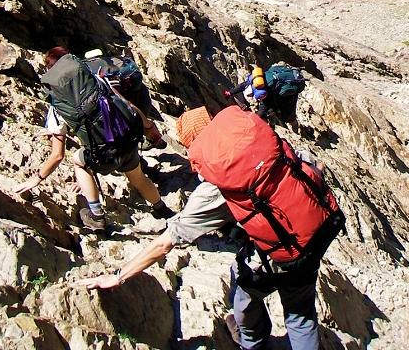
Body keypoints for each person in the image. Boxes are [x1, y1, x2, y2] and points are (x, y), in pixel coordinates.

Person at [76, 106, 343, 350]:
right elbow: (312, 166)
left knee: (243, 288)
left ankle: (252, 343)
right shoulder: (259, 143)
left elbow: (165, 243)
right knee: (301, 317)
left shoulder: (214, 189)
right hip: (317, 231)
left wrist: (118, 275)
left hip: (280, 256)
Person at [14, 47, 174, 231]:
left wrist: (37, 179)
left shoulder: (57, 105)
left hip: (102, 154)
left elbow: (57, 155)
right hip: (127, 141)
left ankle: (97, 215)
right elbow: (128, 106)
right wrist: (147, 128)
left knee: (78, 161)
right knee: (138, 178)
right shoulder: (98, 81)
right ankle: (162, 210)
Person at [224, 64, 304, 133]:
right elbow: (242, 86)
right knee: (273, 110)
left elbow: (262, 111)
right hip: (281, 82)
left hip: (289, 96)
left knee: (288, 117)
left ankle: (295, 129)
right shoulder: (255, 81)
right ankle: (281, 124)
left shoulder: (266, 96)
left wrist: (254, 120)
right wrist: (230, 92)